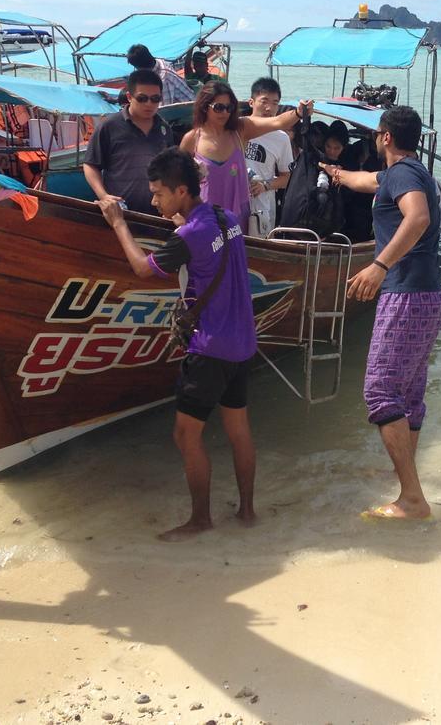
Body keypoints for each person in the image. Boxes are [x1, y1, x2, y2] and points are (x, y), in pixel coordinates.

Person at [98, 148, 258, 541]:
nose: (153, 201)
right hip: (242, 344)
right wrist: (181, 222)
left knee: (186, 435)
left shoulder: (188, 236)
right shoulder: (228, 218)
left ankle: (201, 520)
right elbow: (207, 248)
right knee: (239, 431)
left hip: (209, 349)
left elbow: (142, 268)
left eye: (158, 193)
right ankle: (248, 512)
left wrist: (119, 223)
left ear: (182, 190)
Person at [321, 106, 441, 520]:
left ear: (385, 137)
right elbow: (364, 181)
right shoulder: (405, 172)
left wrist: (379, 265)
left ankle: (411, 498)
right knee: (408, 394)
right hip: (426, 294)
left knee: (379, 391)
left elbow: (419, 217)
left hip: (406, 292)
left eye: (378, 134)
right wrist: (334, 172)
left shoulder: (405, 176)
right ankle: (407, 481)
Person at [181, 81, 312, 233]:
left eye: (229, 108)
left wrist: (298, 112)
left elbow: (278, 122)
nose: (224, 113)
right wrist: (178, 214)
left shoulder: (241, 130)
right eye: (219, 107)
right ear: (204, 107)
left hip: (237, 215)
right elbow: (176, 179)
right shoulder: (192, 139)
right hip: (204, 215)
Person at [83, 66, 170, 213]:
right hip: (120, 213)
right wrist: (103, 196)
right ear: (129, 97)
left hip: (157, 215)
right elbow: (91, 165)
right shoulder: (109, 126)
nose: (149, 104)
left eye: (155, 99)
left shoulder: (164, 128)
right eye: (142, 98)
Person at [243, 77, 294, 237]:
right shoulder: (238, 127)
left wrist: (264, 186)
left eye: (275, 103)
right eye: (264, 101)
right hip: (233, 200)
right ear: (251, 102)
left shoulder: (281, 138)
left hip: (261, 208)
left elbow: (288, 178)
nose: (269, 108)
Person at [127, 43, 194, 106]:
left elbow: (163, 110)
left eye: (137, 68)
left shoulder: (163, 78)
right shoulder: (158, 62)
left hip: (189, 111)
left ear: (142, 68)